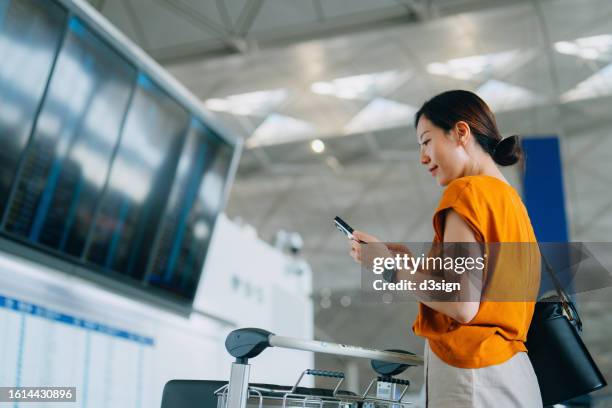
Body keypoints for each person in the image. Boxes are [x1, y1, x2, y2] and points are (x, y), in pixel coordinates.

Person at [348, 90, 542, 407]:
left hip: (474, 375)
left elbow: (462, 302)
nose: (423, 157)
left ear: (461, 132)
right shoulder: (509, 200)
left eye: (426, 141)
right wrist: (410, 264)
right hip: (512, 374)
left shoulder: (466, 191)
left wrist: (389, 269)